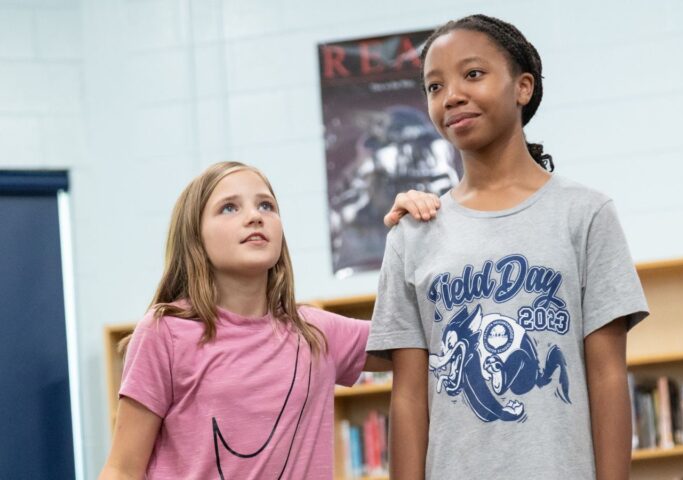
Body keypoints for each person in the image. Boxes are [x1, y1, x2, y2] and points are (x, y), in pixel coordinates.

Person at [368, 14, 649, 480]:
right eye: (434, 87)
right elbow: (410, 397)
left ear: (523, 87)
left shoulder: (586, 214)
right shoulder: (412, 234)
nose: (452, 95)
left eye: (472, 74)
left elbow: (606, 377)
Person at [98, 161, 438, 479]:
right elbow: (122, 470)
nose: (255, 217)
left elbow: (428, 336)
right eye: (229, 207)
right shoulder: (165, 332)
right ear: (195, 238)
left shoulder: (317, 332)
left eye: (266, 206)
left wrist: (424, 232)